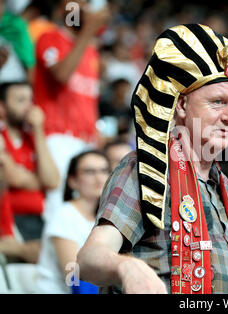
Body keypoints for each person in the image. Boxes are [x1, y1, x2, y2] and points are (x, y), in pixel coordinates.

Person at [77, 24, 228, 294]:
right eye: (217, 102)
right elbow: (88, 259)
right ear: (180, 106)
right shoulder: (146, 169)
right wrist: (127, 268)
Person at [33, 0, 110, 221]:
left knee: (88, 206)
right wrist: (87, 33)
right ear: (62, 10)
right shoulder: (49, 38)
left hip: (85, 138)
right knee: (59, 205)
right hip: (57, 135)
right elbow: (61, 75)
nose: (85, 10)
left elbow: (89, 97)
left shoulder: (90, 51)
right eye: (79, 5)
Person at [35, 150, 110, 294]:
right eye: (89, 171)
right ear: (72, 181)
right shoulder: (64, 215)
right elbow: (74, 277)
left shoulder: (106, 217)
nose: (99, 178)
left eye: (104, 170)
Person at [0, 82, 59, 242]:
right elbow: (12, 178)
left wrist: (38, 130)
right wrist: (40, 181)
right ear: (2, 107)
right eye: (20, 101)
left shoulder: (34, 138)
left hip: (38, 219)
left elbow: (53, 181)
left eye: (30, 100)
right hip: (10, 219)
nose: (29, 108)